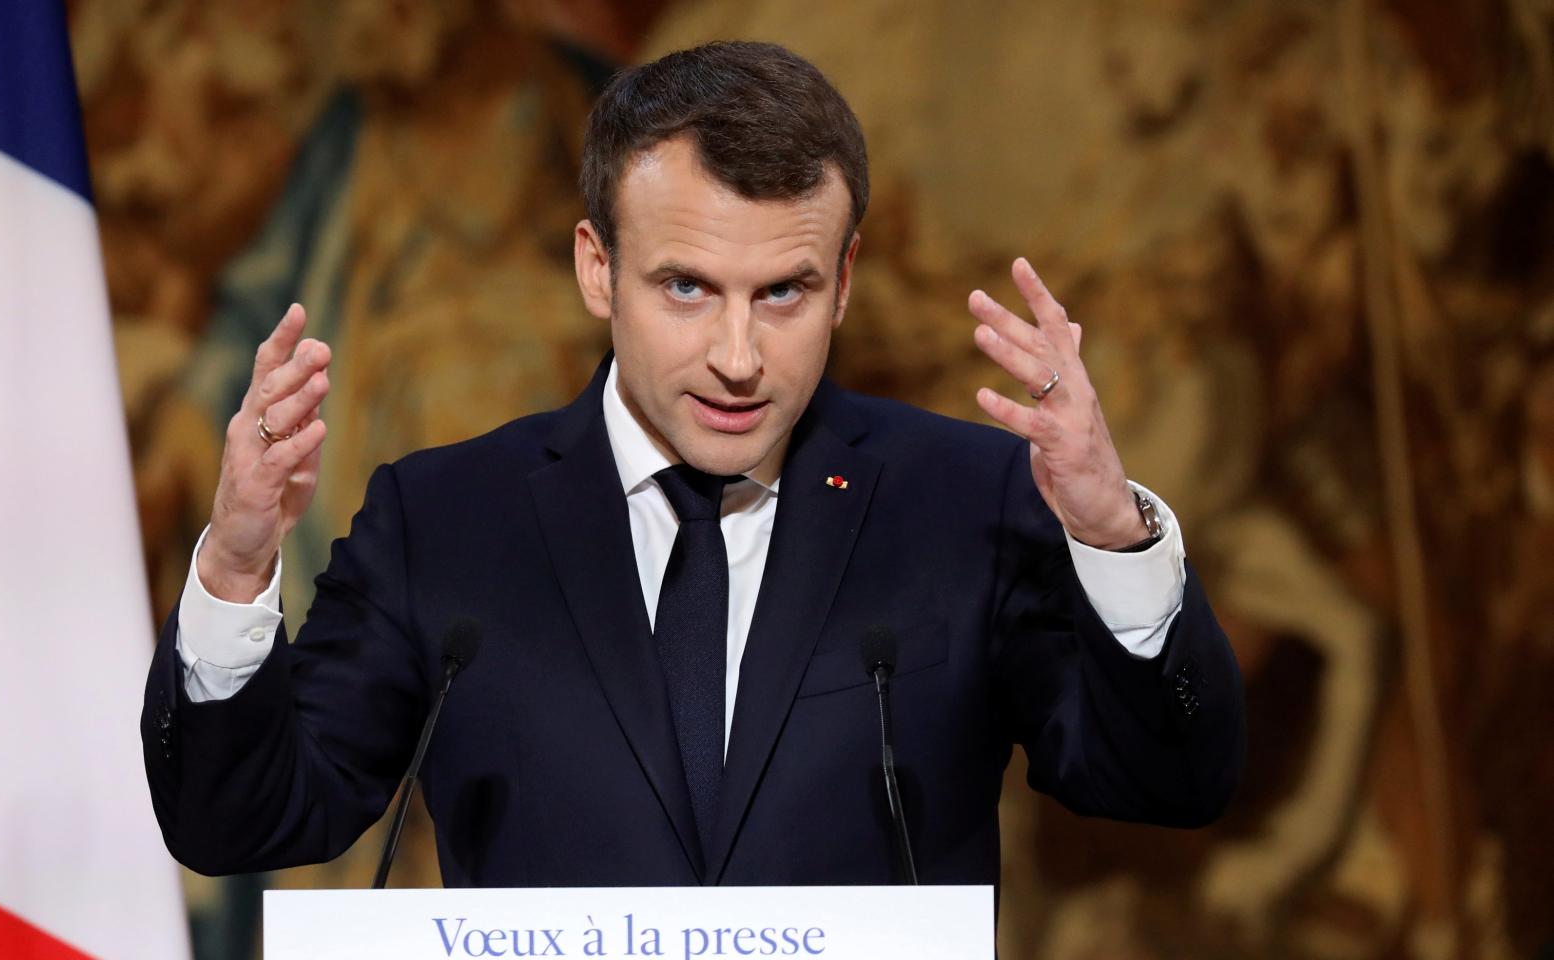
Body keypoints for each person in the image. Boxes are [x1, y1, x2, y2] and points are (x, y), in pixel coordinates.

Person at [142, 40, 1243, 888]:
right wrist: (236, 568)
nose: (735, 358)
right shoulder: (444, 521)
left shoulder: (963, 503)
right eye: (684, 288)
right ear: (595, 266)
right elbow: (237, 822)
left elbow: (1167, 783)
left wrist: (1110, 534)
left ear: (845, 279)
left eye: (782, 293)